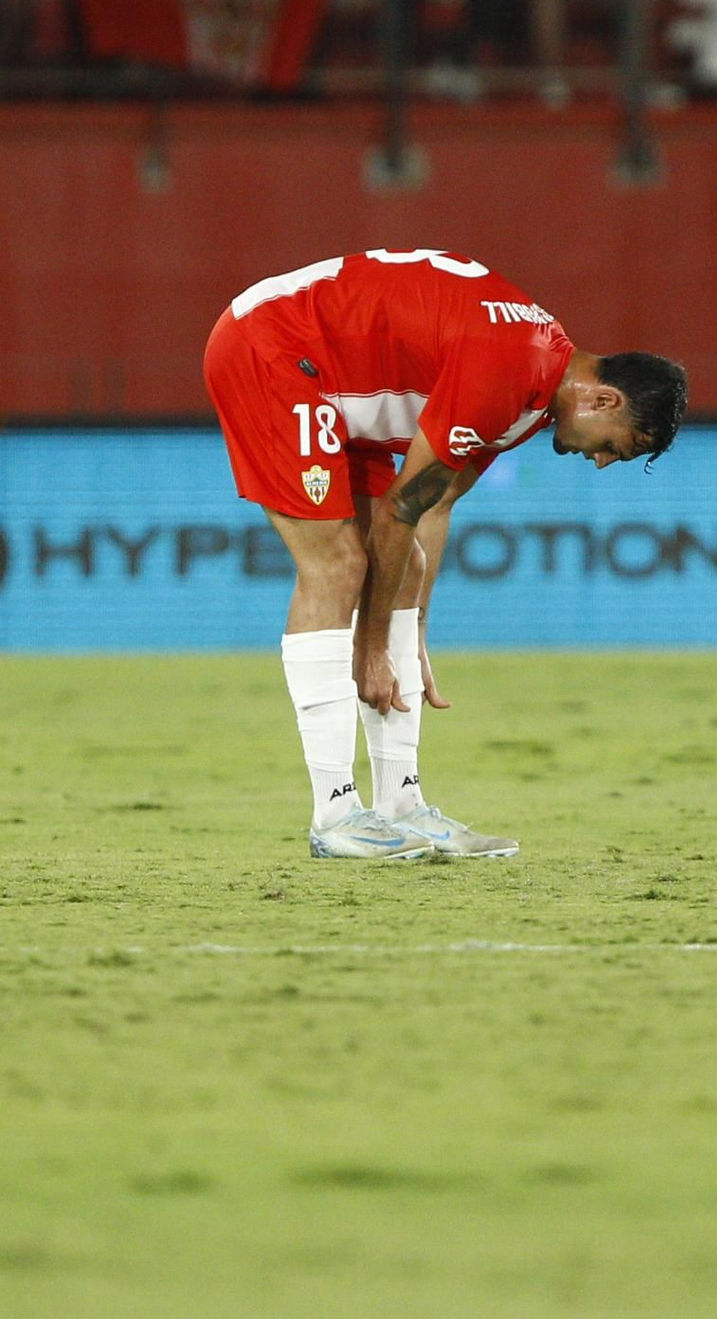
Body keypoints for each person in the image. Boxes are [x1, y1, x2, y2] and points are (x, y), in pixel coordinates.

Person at [203, 247, 688, 862]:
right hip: (272, 348)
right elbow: (398, 510)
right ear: (606, 402)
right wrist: (374, 649)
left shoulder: (532, 395)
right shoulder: (511, 369)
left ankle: (401, 805)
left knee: (407, 567)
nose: (600, 460)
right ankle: (334, 815)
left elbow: (432, 506)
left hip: (337, 378)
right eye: (616, 449)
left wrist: (414, 636)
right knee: (337, 565)